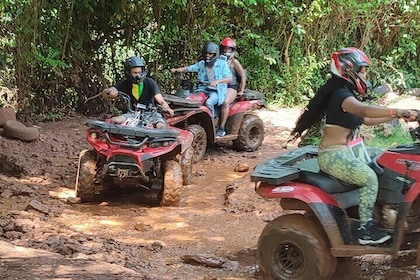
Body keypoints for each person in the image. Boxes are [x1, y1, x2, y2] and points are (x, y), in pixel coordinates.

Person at [287, 47, 417, 245]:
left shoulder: (346, 93)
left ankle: (383, 210)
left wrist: (403, 114)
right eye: (363, 70)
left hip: (347, 151)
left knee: (386, 158)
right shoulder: (341, 96)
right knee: (369, 178)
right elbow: (363, 109)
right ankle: (366, 228)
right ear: (348, 69)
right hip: (332, 155)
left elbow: (365, 119)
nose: (365, 75)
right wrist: (396, 111)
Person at [170, 41, 232, 133]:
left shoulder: (222, 64)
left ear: (215, 54)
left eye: (210, 54)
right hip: (202, 89)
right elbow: (189, 68)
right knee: (189, 98)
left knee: (209, 102)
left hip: (216, 91)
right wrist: (176, 70)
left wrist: (217, 81)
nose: (208, 56)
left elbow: (229, 78)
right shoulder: (202, 64)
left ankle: (211, 124)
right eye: (206, 53)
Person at [102, 56, 174, 129]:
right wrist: (109, 92)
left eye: (139, 72)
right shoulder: (124, 84)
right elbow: (110, 90)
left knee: (161, 126)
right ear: (128, 72)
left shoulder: (150, 82)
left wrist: (167, 108)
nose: (138, 75)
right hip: (133, 113)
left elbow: (161, 100)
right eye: (135, 73)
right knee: (114, 121)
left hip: (151, 113)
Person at [217, 37, 247, 137]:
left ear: (232, 50)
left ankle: (221, 128)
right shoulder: (218, 61)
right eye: (225, 49)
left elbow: (243, 76)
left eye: (228, 49)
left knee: (225, 103)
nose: (226, 51)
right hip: (219, 86)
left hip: (231, 87)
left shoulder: (234, 62)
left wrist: (241, 90)